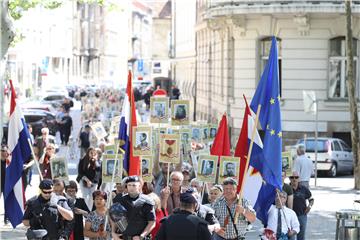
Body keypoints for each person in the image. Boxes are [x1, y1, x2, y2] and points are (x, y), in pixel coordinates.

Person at [112, 176, 156, 240]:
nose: (131, 187)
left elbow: (152, 222)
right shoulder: (120, 200)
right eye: (129, 185)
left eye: (134, 185)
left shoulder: (147, 201)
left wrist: (141, 236)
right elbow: (115, 218)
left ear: (139, 186)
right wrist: (113, 233)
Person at [290, 171, 314, 240]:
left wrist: (309, 206)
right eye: (292, 177)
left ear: (299, 179)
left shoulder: (304, 189)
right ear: (289, 178)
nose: (294, 179)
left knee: (301, 237)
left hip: (302, 215)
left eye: (296, 177)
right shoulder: (287, 188)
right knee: (291, 237)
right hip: (290, 217)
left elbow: (311, 199)